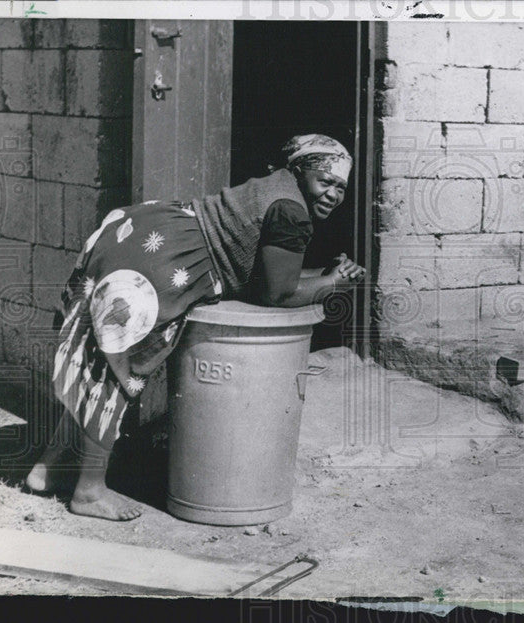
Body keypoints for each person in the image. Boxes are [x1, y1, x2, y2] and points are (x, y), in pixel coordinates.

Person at [25, 134, 366, 520]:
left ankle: (50, 469)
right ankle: (88, 492)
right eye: (326, 182)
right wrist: (333, 284)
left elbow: (267, 277)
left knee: (94, 357)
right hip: (164, 262)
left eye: (340, 187)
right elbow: (276, 295)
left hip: (144, 230)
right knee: (116, 371)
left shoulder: (276, 189)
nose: (333, 194)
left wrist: (323, 275)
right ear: (301, 172)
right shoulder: (292, 211)